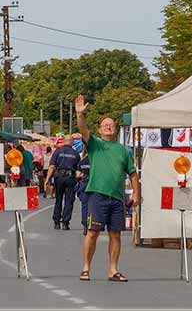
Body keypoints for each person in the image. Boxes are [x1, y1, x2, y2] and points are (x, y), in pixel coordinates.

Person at [75, 94, 140, 283]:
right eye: (105, 125)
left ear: (115, 129)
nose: (109, 127)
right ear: (100, 130)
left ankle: (113, 270)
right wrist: (80, 114)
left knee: (115, 234)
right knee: (92, 232)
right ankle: (86, 268)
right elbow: (83, 129)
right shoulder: (95, 144)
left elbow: (133, 173)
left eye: (111, 125)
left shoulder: (122, 150)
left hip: (117, 198)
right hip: (97, 195)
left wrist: (136, 193)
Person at [44, 135, 80, 230]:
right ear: (72, 142)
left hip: (59, 177)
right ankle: (65, 222)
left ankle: (56, 222)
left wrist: (47, 179)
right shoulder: (75, 154)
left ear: (64, 141)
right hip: (70, 178)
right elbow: (78, 171)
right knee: (69, 200)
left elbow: (52, 166)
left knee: (58, 199)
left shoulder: (57, 152)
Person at [76, 143, 91, 235]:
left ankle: (85, 224)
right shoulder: (96, 161)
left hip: (84, 184)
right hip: (93, 185)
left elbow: (78, 175)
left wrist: (82, 175)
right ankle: (92, 224)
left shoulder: (82, 162)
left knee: (84, 205)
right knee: (94, 205)